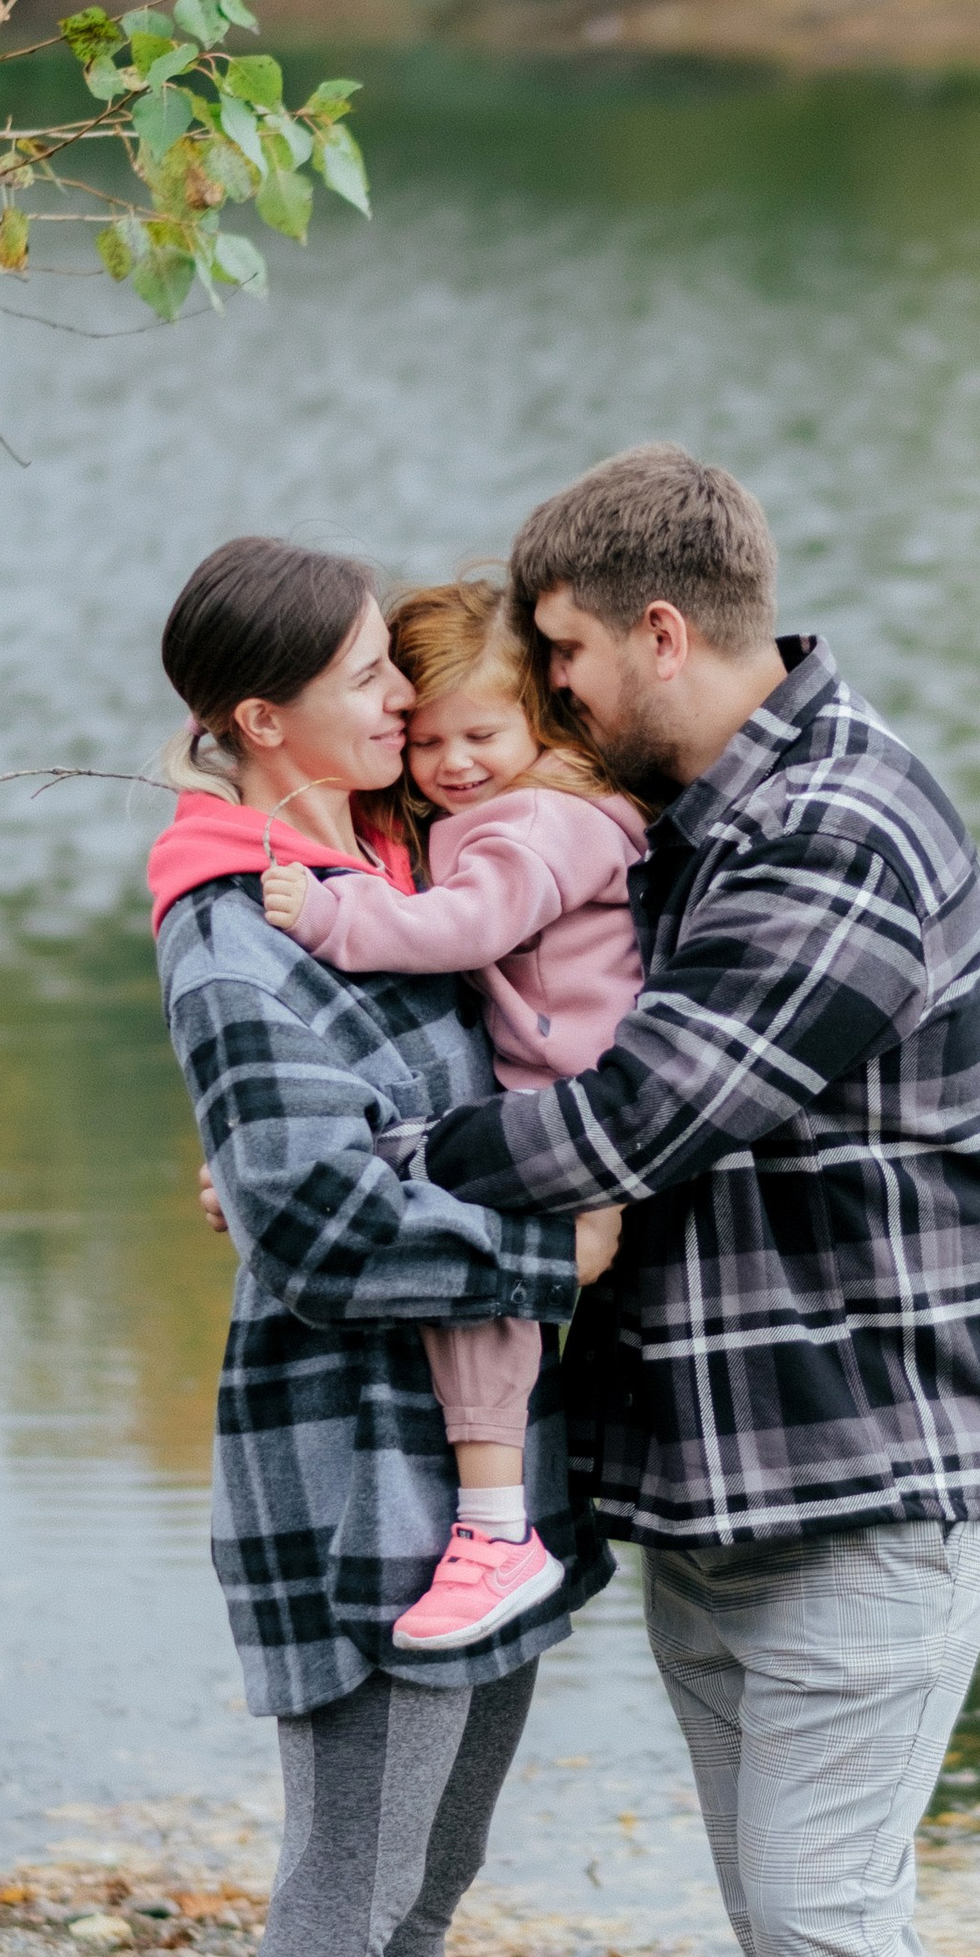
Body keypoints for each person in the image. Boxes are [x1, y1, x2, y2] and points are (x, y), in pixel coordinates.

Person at [412, 445, 980, 1957]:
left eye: (568, 655)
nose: (554, 692)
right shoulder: (671, 824)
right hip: (727, 1486)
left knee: (827, 1929)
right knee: (808, 1942)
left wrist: (360, 1173)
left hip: (880, 1476)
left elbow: (649, 1113)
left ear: (661, 627)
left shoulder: (841, 825)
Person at [151, 533, 623, 1957]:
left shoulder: (381, 872)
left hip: (481, 1472)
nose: (403, 708)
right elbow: (318, 1214)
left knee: (423, 1895)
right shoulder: (233, 916)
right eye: (363, 681)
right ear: (259, 720)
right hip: (351, 1470)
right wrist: (561, 1266)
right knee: (340, 1900)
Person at [259, 570, 644, 1659]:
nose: (453, 764)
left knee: (474, 1285)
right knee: (474, 1269)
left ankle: (494, 1529)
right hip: (554, 1089)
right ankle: (506, 1521)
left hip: (572, 1101)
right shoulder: (518, 804)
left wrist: (335, 913)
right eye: (427, 743)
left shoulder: (538, 826)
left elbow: (471, 925)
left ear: (540, 718)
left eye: (481, 732)